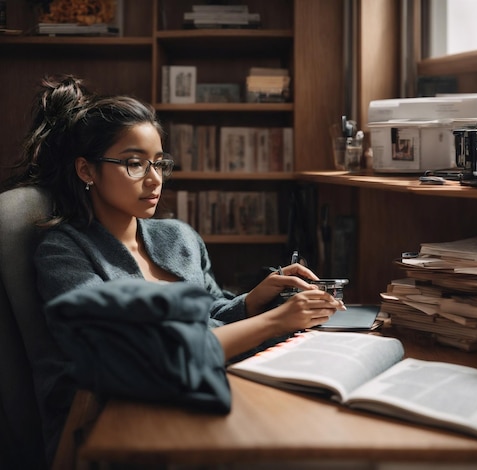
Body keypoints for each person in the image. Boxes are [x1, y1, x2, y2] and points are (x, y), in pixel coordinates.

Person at [9, 74, 345, 465]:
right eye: (133, 164)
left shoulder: (177, 237)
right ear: (86, 171)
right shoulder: (63, 252)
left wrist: (254, 301)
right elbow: (146, 357)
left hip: (208, 393)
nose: (154, 180)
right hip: (115, 421)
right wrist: (275, 322)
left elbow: (211, 315)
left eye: (159, 164)